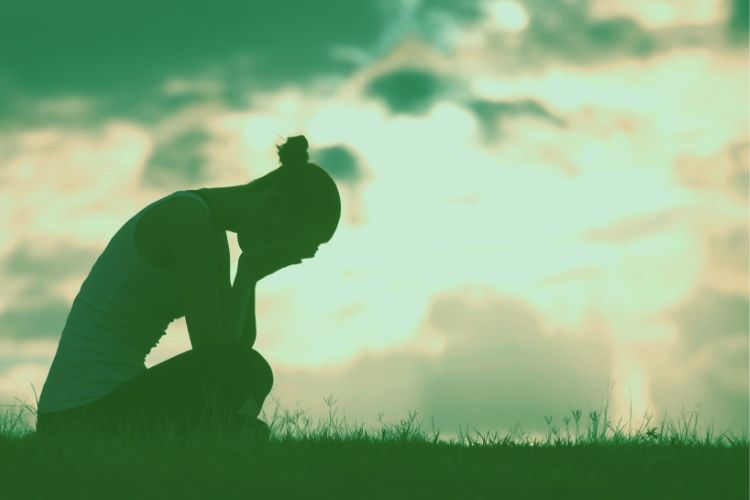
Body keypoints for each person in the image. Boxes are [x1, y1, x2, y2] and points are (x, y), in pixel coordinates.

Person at [35, 135, 341, 441]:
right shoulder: (190, 222)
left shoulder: (211, 229)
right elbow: (215, 353)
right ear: (271, 202)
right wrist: (246, 276)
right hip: (76, 415)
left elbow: (236, 345)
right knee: (249, 373)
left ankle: (219, 438)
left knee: (253, 377)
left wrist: (250, 275)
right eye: (286, 236)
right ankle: (220, 439)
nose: (277, 245)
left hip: (101, 405)